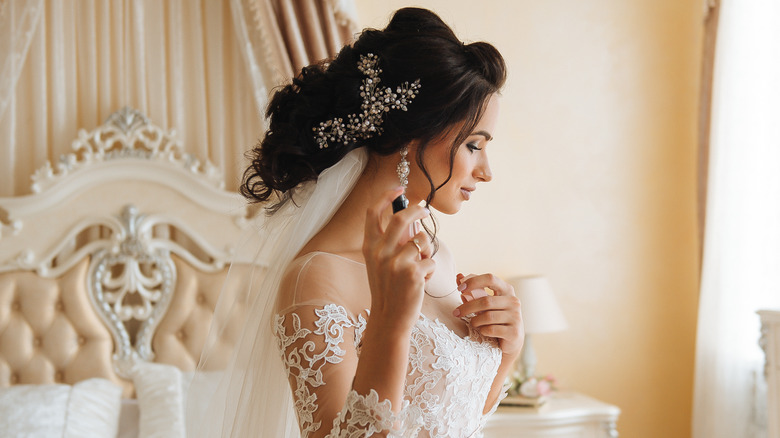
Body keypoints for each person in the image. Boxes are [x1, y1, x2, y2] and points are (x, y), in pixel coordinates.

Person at [189, 7, 524, 438]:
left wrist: (508, 350)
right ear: (410, 137)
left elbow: (456, 421)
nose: (486, 171)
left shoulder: (435, 255)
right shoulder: (314, 280)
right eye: (474, 145)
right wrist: (389, 319)